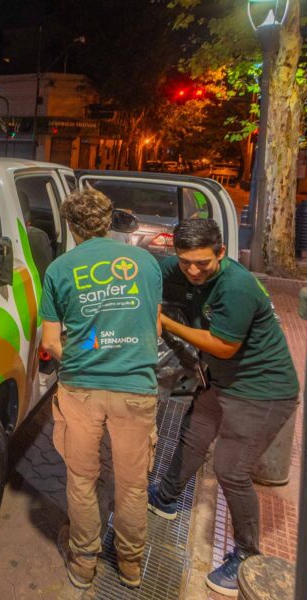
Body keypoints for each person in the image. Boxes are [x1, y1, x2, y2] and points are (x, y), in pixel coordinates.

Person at [147, 219, 299, 597]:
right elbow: (144, 277)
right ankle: (165, 498)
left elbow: (223, 346)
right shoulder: (176, 267)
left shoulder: (237, 286)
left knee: (231, 470)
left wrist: (163, 321)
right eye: (185, 262)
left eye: (203, 263)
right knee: (193, 436)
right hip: (222, 382)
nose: (193, 271)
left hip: (262, 390)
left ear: (221, 253)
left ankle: (246, 555)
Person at [41, 189, 162, 590]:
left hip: (81, 389)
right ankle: (130, 565)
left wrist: (85, 355)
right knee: (132, 483)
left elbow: (51, 342)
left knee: (82, 479)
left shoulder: (59, 269)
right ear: (109, 221)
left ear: (70, 226)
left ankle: (83, 563)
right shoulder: (145, 263)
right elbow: (155, 327)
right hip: (135, 388)